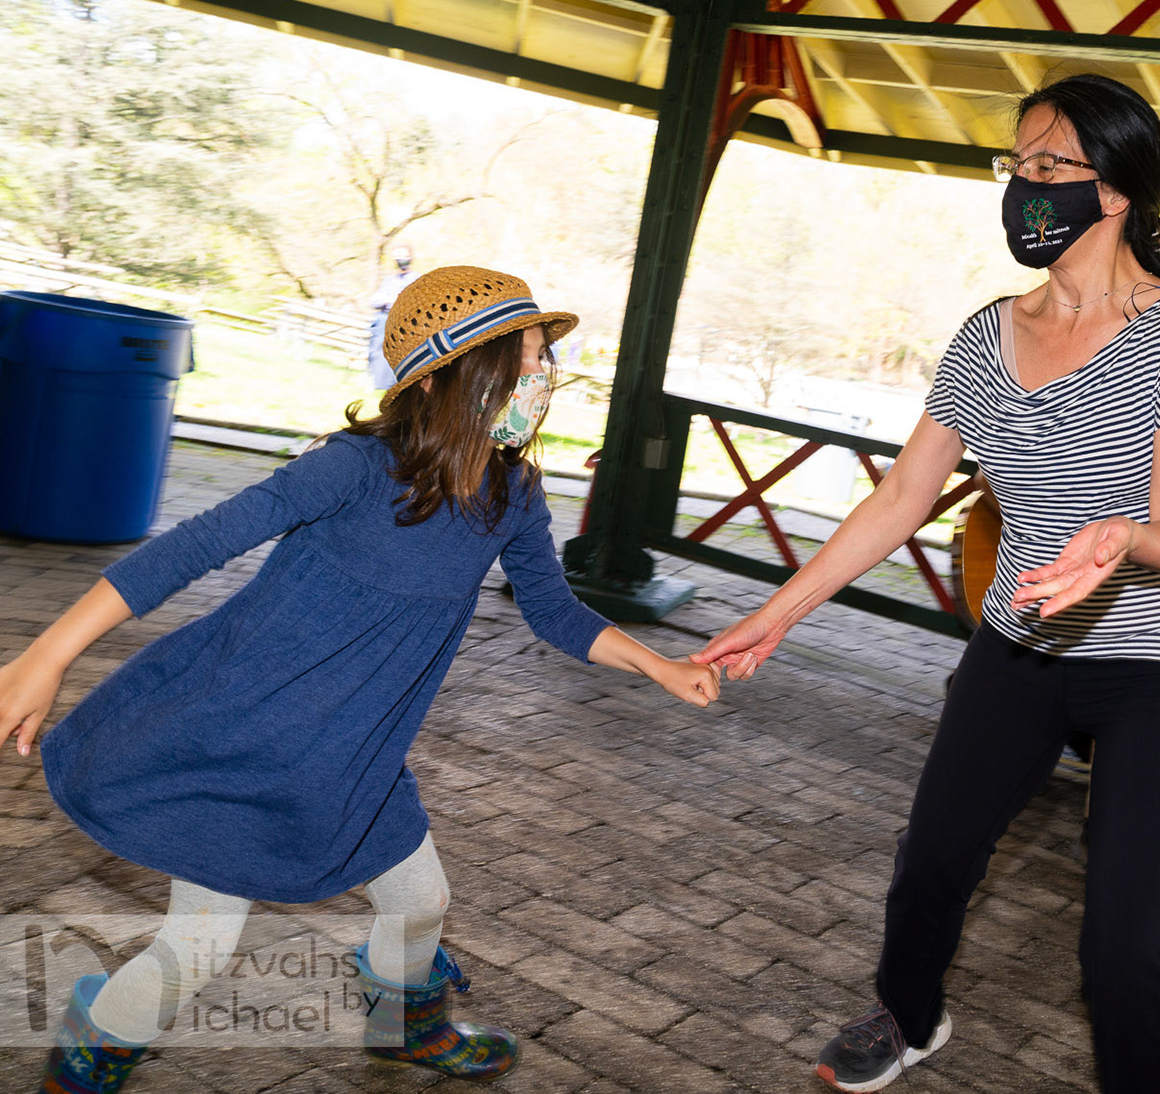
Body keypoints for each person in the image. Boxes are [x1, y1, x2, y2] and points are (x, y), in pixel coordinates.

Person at [0, 266, 722, 1093]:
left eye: (545, 360)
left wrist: (658, 664)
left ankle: (403, 1030)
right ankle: (96, 1045)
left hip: (355, 757)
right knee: (197, 948)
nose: (544, 376)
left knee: (419, 901)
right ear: (458, 369)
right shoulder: (352, 468)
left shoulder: (513, 490)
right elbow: (193, 546)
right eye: (525, 358)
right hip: (240, 740)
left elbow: (553, 610)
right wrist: (46, 653)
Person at [694, 73, 1160, 1094]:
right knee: (932, 859)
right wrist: (773, 615)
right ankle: (910, 1013)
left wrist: (1118, 537)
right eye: (1015, 164)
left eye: (1047, 165)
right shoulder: (987, 334)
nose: (1022, 185)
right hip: (1021, 646)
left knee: (1124, 948)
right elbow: (903, 493)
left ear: (1113, 190)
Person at [367, 244, 419, 389]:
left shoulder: (416, 279)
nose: (400, 260)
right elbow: (374, 300)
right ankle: (379, 384)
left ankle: (396, 385)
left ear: (410, 257)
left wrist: (392, 300)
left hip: (403, 323)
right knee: (378, 352)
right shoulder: (389, 280)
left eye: (403, 256)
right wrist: (389, 300)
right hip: (383, 320)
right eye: (397, 257)